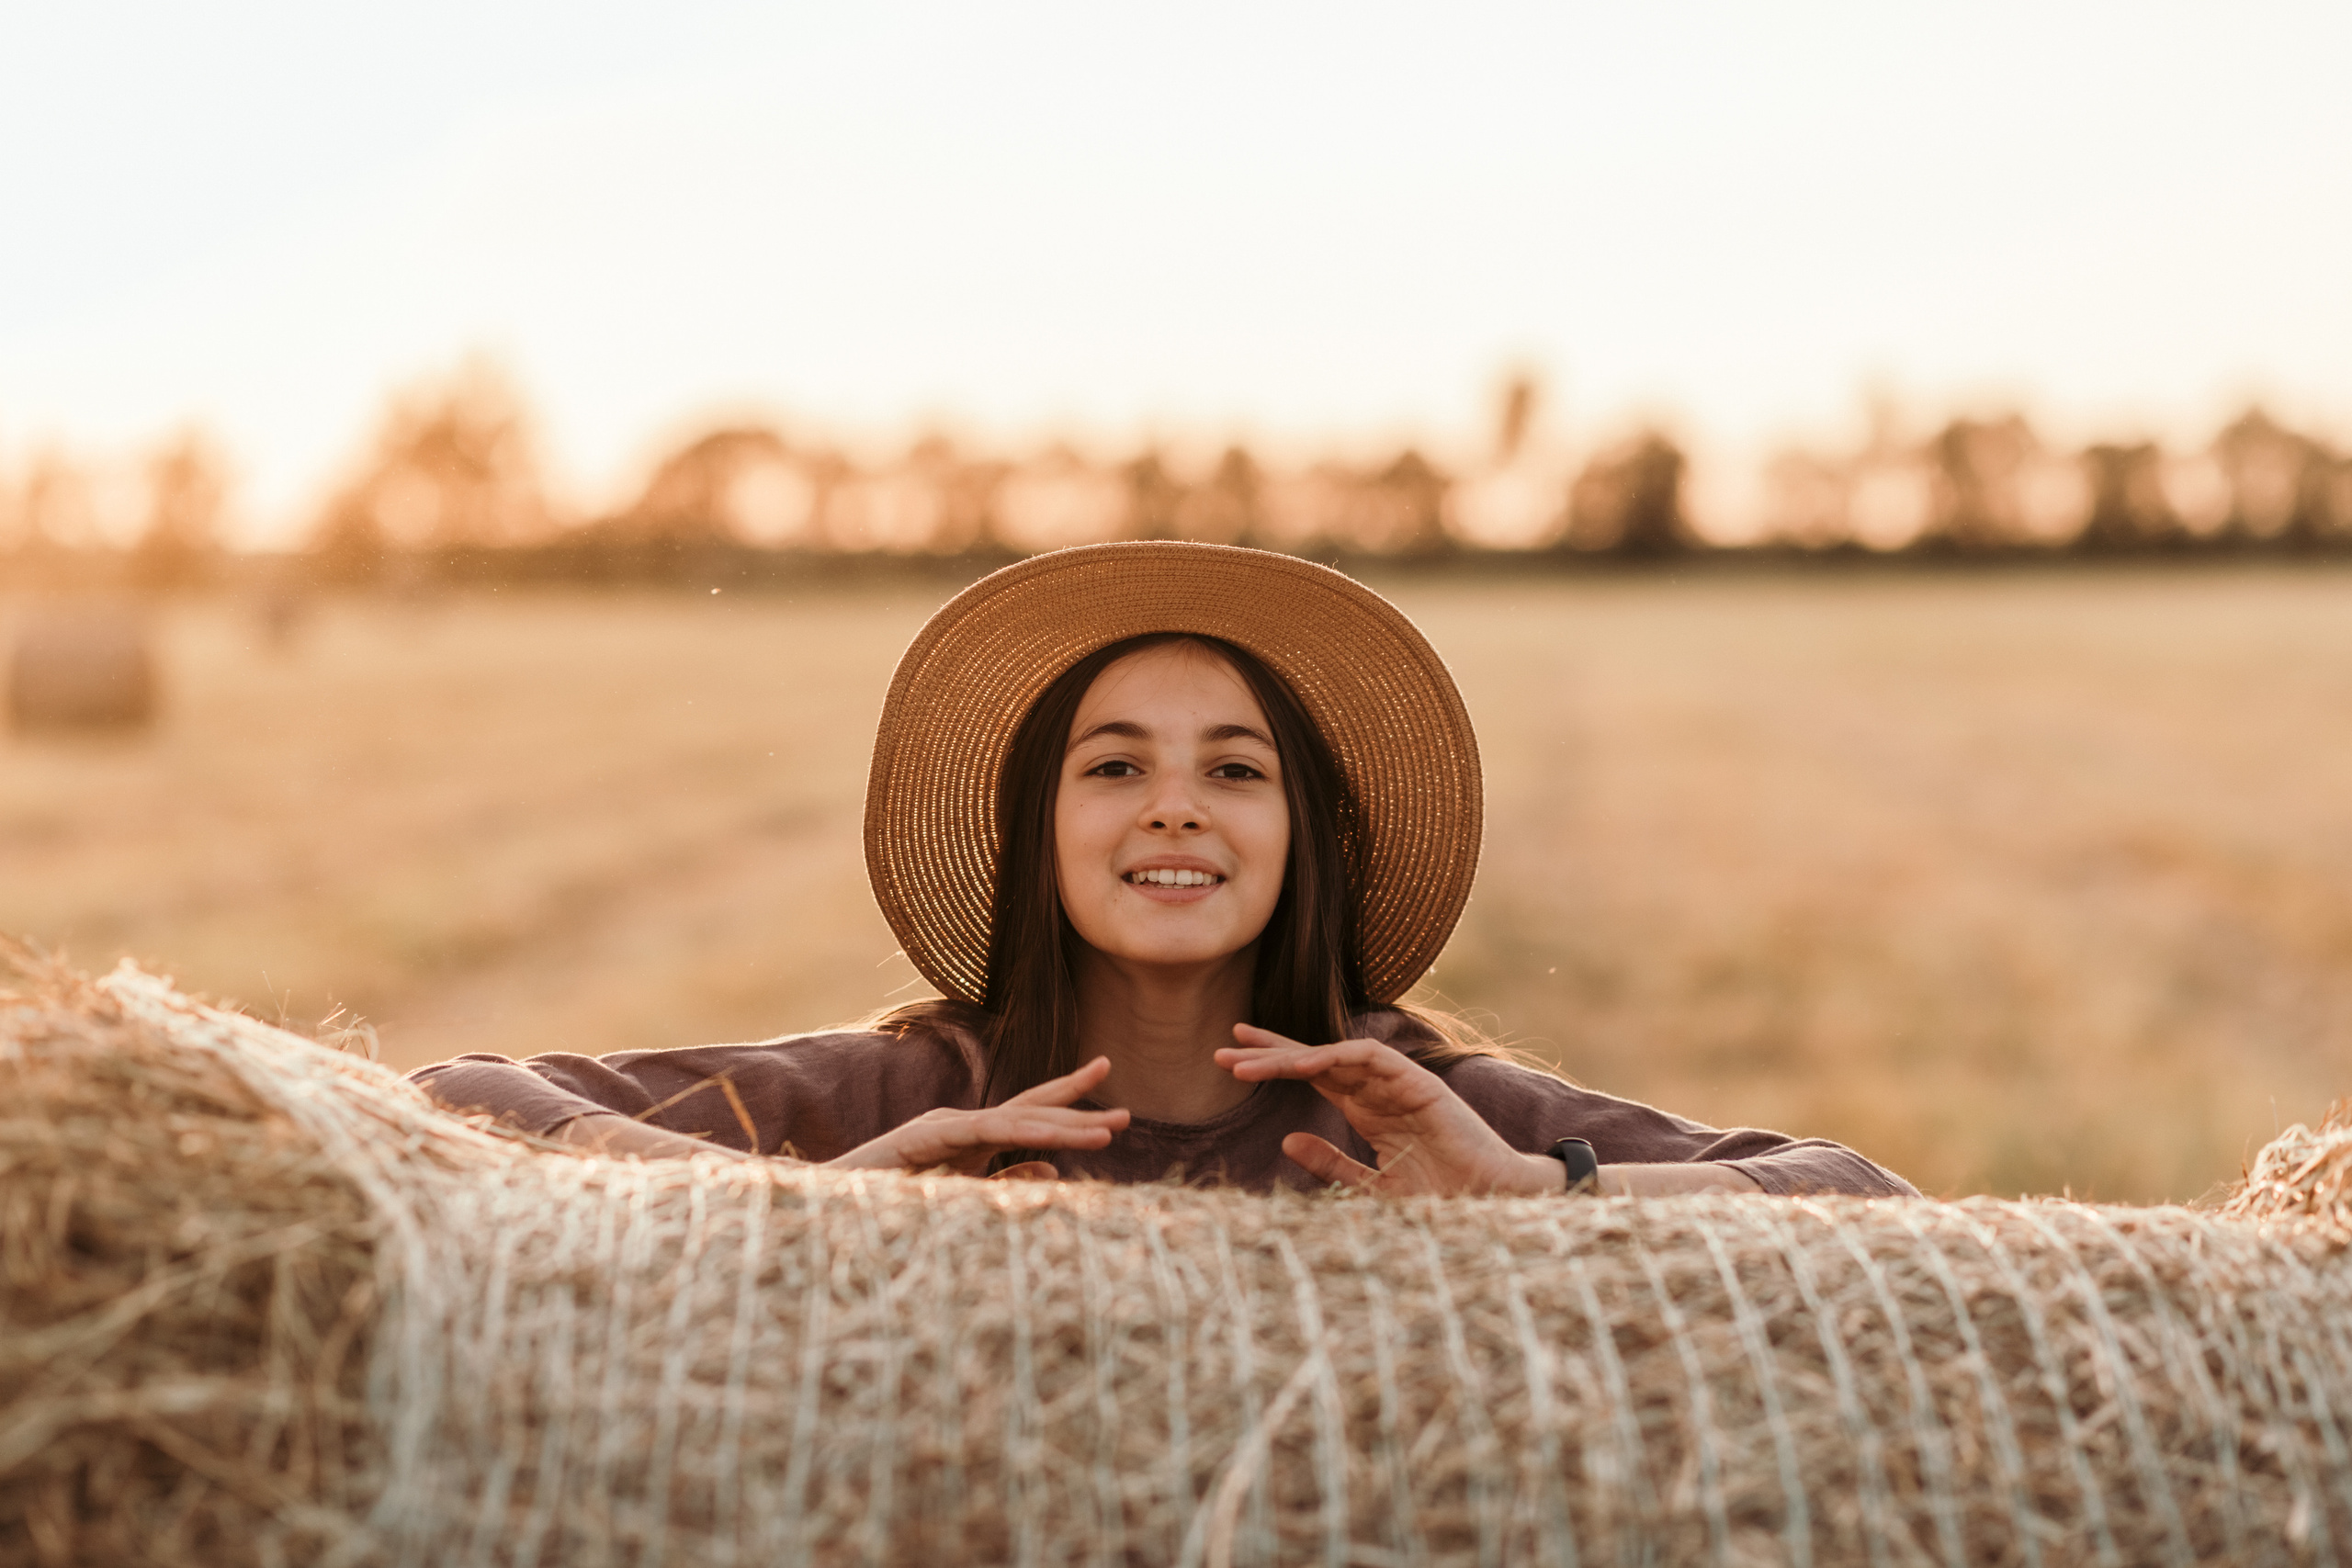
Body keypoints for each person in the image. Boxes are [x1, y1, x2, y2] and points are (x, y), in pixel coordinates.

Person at [412, 542, 1914, 1199]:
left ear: (1310, 839)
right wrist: (822, 1200)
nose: (1176, 810)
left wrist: (1543, 1187)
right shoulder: (922, 1094)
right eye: (1116, 766)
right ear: (1037, 834)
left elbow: (1852, 1195)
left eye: (1236, 771)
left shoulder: (1412, 1110)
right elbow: (464, 1095)